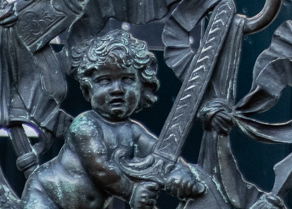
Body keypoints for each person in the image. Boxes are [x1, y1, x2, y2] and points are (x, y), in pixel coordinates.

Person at [22, 31, 207, 209]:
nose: (117, 89)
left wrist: (181, 174)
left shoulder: (134, 132)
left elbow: (161, 155)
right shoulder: (85, 125)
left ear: (142, 86)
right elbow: (101, 170)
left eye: (126, 79)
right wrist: (132, 192)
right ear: (88, 89)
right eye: (105, 81)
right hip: (46, 198)